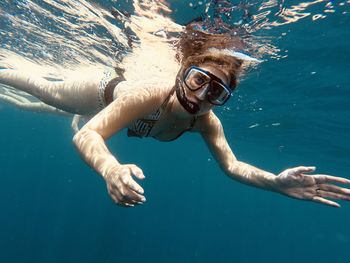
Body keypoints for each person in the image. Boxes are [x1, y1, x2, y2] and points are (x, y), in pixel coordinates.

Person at [1, 22, 350, 208]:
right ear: (182, 73)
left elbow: (232, 166)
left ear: (223, 99)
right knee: (43, 89)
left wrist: (274, 182)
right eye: (198, 80)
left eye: (216, 92)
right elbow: (87, 136)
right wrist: (111, 168)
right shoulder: (151, 93)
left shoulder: (205, 122)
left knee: (43, 107)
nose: (200, 96)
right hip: (100, 91)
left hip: (109, 115)